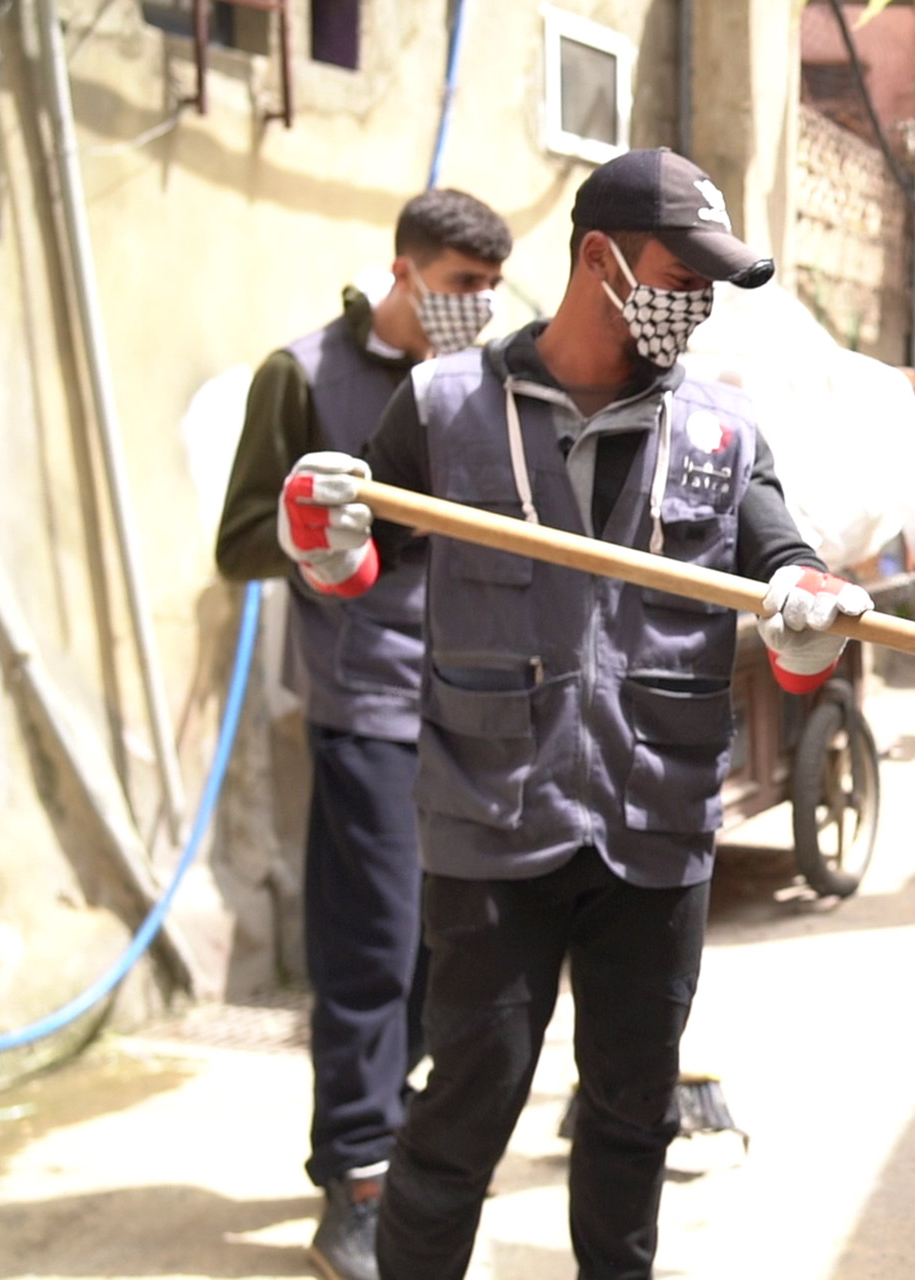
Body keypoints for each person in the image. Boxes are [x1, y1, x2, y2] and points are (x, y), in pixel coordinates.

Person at [272, 148, 872, 1280]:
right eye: (677, 272)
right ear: (599, 261)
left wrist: (813, 613)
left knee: (632, 1112)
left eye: (710, 280)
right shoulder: (444, 408)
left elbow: (783, 562)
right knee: (467, 1105)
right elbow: (357, 561)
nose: (692, 299)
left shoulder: (723, 432)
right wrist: (324, 538)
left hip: (656, 826)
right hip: (493, 824)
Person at [213, 189, 510, 1280]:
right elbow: (240, 538)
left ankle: (395, 1130)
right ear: (404, 272)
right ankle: (355, 1172)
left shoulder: (478, 383)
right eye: (458, 288)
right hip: (366, 702)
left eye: (489, 290)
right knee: (372, 947)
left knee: (456, 943)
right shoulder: (300, 376)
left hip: (471, 696)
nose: (474, 309)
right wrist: (319, 531)